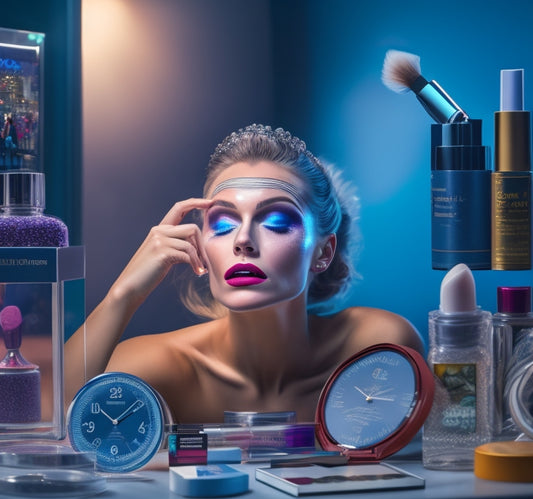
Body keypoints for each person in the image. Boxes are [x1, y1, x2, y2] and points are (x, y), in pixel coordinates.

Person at [66, 124, 424, 423]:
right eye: (223, 223)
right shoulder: (158, 367)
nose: (243, 241)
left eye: (277, 222)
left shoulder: (376, 349)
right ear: (199, 241)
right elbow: (52, 427)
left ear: (323, 251)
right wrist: (124, 294)